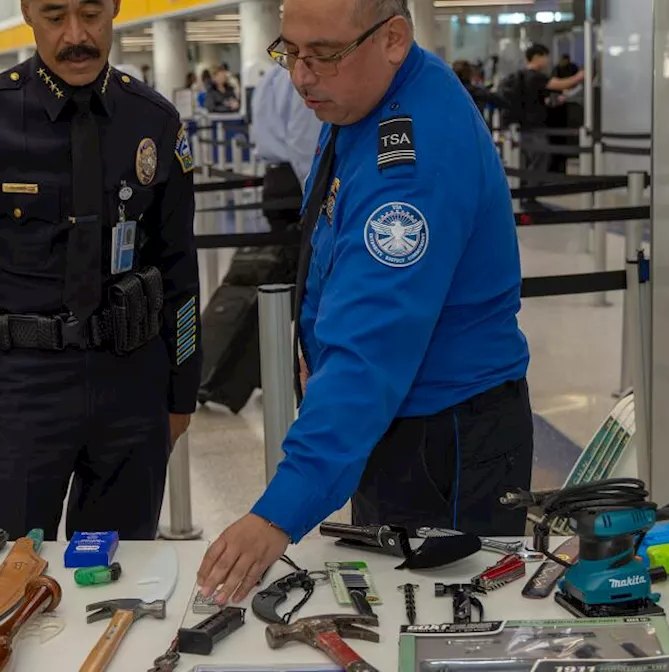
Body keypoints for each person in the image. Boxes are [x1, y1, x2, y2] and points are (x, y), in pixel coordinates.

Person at [195, 0, 533, 606]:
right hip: (396, 422)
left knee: (452, 622)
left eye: (322, 54)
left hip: (444, 439)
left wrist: (279, 512)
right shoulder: (366, 96)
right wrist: (314, 342)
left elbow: (369, 350)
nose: (300, 75)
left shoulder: (408, 163)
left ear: (394, 38)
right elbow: (333, 244)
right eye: (290, 52)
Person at [0, 0, 201, 541]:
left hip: (131, 384)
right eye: (56, 17)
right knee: (5, 574)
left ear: (116, 9)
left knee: (117, 575)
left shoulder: (153, 121)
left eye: (91, 15)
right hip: (21, 387)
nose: (76, 36)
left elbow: (180, 269)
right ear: (27, 13)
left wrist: (181, 393)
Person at [250, 63, 322, 231]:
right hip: (295, 179)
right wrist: (313, 192)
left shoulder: (270, 76)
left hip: (274, 178)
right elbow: (302, 140)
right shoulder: (300, 79)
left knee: (285, 251)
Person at [500, 44, 584, 179]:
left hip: (521, 125)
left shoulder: (521, 76)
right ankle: (530, 194)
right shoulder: (536, 77)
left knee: (527, 162)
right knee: (540, 159)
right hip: (533, 128)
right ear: (536, 57)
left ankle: (526, 193)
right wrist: (581, 76)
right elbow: (562, 84)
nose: (547, 61)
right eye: (545, 57)